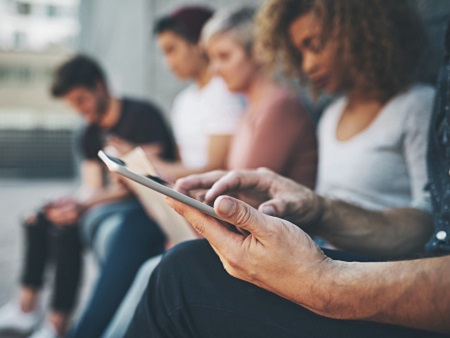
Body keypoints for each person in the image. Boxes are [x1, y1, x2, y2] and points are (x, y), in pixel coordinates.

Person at [125, 1, 450, 337]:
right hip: (334, 253)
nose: (307, 65)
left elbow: (427, 229)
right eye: (300, 51)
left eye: (315, 44)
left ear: (362, 31)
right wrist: (316, 207)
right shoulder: (331, 115)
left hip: (376, 273)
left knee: (180, 272)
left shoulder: (417, 105)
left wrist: (322, 279)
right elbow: (430, 223)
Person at [68, 6, 244, 338]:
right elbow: (181, 166)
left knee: (129, 233)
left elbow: (215, 169)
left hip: (200, 204)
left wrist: (146, 163)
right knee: (121, 229)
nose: (168, 62)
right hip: (173, 201)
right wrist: (140, 164)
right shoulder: (185, 101)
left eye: (172, 50)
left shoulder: (225, 96)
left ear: (198, 44)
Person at [0, 55, 176, 338]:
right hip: (115, 201)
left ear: (99, 86)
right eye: (72, 104)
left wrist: (83, 203)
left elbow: (144, 179)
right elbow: (93, 187)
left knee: (69, 221)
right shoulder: (89, 133)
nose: (79, 110)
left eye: (82, 99)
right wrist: (68, 203)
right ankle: (26, 308)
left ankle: (58, 325)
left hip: (144, 203)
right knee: (40, 217)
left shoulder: (142, 116)